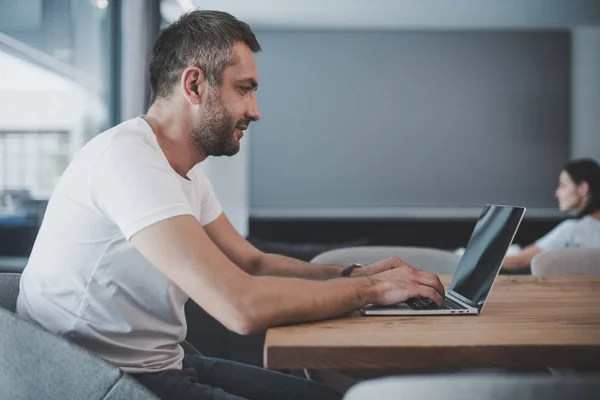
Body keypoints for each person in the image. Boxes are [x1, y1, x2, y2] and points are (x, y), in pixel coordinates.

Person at [16, 10, 445, 400]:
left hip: (165, 363)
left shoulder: (183, 172)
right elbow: (240, 307)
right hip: (101, 383)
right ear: (194, 84)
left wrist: (352, 274)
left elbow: (252, 264)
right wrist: (372, 291)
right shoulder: (127, 160)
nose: (255, 111)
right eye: (244, 90)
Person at [502, 158, 600, 272]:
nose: (557, 193)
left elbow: (518, 261)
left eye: (563, 185)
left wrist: (484, 258)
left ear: (583, 188)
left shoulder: (573, 229)